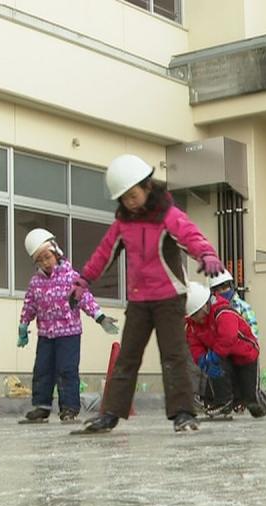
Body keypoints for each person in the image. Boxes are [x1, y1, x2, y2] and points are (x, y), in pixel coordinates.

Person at [72, 154, 225, 434]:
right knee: (127, 356)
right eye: (124, 198)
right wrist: (84, 279)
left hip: (169, 297)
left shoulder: (168, 215)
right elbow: (103, 253)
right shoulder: (123, 223)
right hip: (139, 299)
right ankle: (110, 415)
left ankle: (183, 413)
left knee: (173, 355)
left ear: (147, 187)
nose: (130, 202)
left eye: (133, 195)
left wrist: (207, 254)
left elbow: (191, 236)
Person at [17, 228, 119, 424]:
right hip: (46, 334)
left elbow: (85, 298)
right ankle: (42, 406)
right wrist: (23, 326)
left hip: (69, 334)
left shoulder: (70, 277)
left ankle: (69, 408)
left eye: (47, 257)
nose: (45, 262)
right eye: (40, 260)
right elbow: (29, 305)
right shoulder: (35, 283)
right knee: (42, 369)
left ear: (56, 252)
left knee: (67, 370)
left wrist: (100, 317)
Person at [184, 282, 266, 419]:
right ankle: (223, 402)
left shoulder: (223, 312)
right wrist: (202, 360)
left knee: (251, 400)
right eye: (192, 316)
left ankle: (263, 401)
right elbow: (194, 345)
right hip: (223, 356)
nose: (196, 319)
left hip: (245, 355)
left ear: (204, 307)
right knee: (214, 367)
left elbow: (228, 338)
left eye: (196, 314)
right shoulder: (193, 325)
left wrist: (214, 356)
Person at [208, 269, 258, 336]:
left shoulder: (244, 307)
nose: (222, 291)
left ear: (231, 286)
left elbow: (253, 334)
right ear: (213, 292)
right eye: (217, 289)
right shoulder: (209, 310)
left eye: (225, 287)